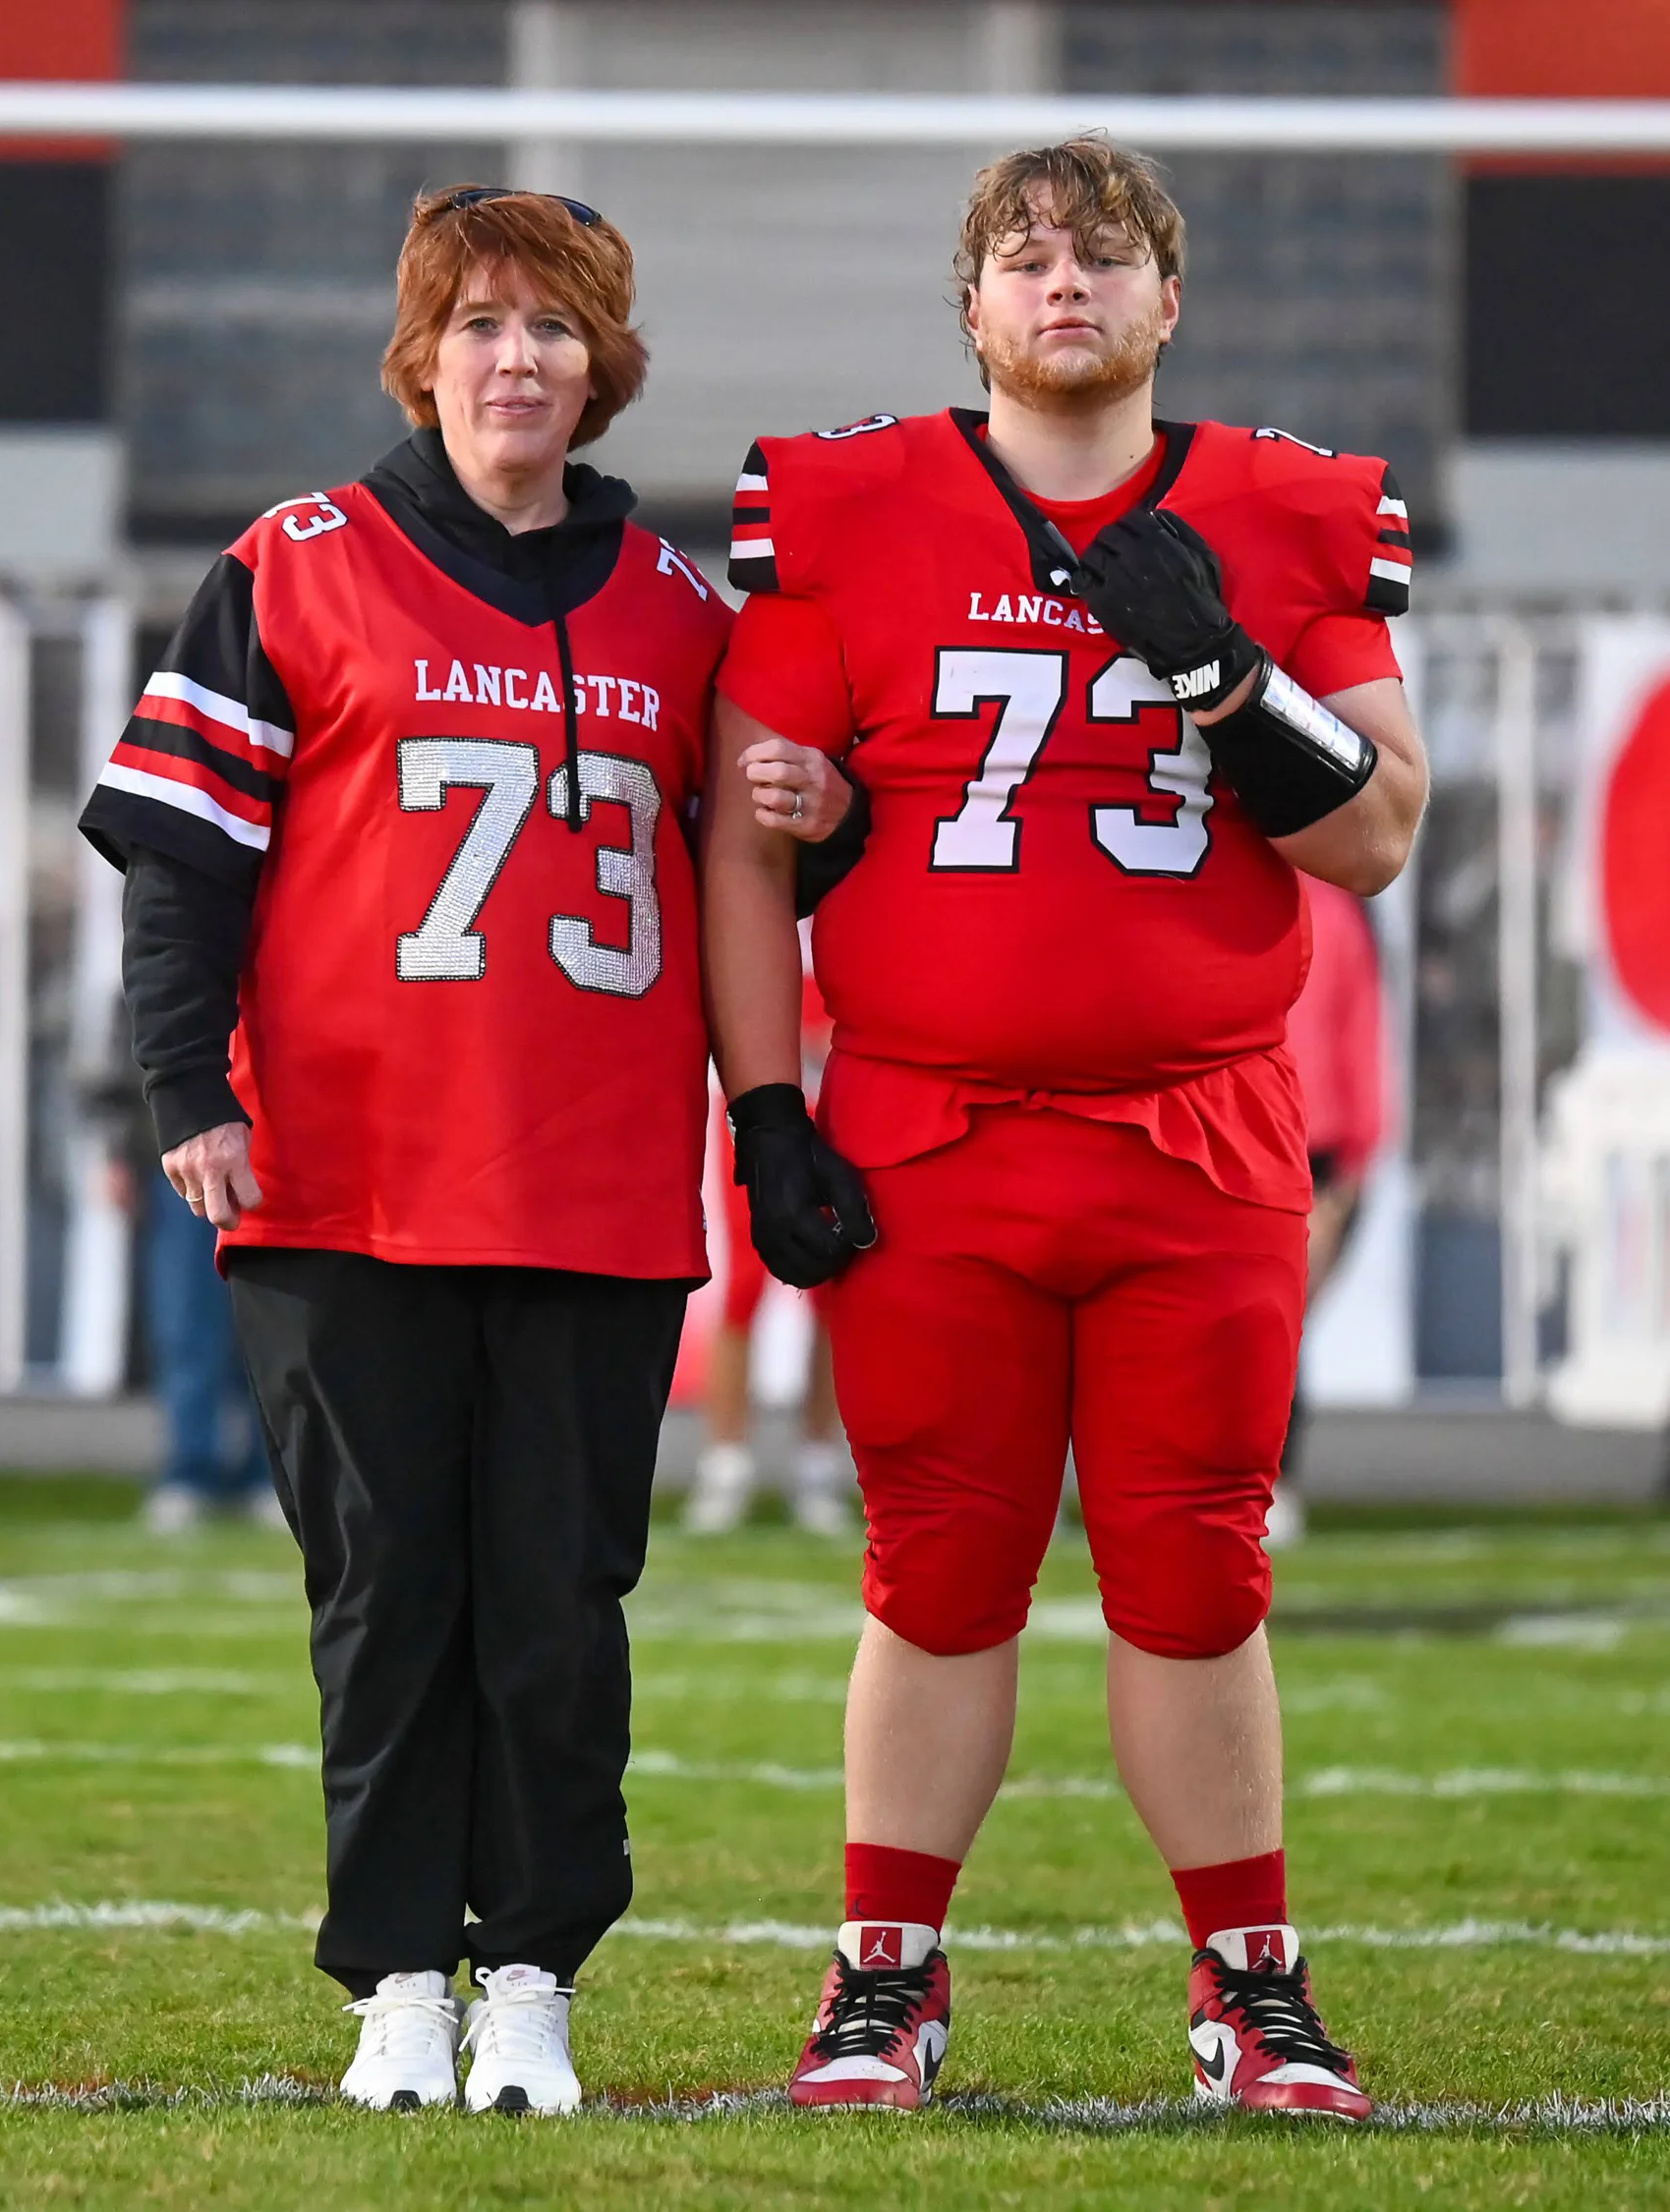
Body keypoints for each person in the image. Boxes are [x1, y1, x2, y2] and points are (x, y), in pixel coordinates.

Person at [701, 137, 1427, 2117]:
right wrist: (767, 1110)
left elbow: (1373, 832)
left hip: (1197, 1133)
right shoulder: (847, 504)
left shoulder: (1286, 509)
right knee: (937, 1567)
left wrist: (1218, 669)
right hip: (932, 1132)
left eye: (1107, 256)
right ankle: (885, 1974)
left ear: (1168, 304)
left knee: (1198, 1569)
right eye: (1026, 256)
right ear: (973, 309)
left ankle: (1251, 1983)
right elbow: (746, 837)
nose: (1066, 282)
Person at [78, 186, 782, 2118]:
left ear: (603, 368)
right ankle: (398, 1973)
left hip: (596, 1180)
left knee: (557, 1608)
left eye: (554, 329)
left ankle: (536, 1973)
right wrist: (182, 1083)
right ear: (422, 351)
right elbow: (181, 854)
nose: (516, 358)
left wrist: (825, 827)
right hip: (348, 1176)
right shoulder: (294, 565)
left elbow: (762, 876)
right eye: (479, 323)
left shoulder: (685, 610)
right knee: (389, 1600)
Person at [86, 996, 279, 1533]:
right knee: (187, 1326)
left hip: (273, 1160)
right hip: (178, 1160)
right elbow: (136, 1057)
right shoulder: (166, 947)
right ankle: (190, 1469)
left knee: (271, 1324)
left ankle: (271, 1474)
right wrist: (120, 1155)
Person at [686, 940, 853, 1536]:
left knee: (834, 1291)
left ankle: (818, 1465)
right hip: (754, 1103)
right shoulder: (754, 863)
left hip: (836, 1097)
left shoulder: (848, 866)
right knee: (744, 1287)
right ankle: (725, 1464)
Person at [1265, 879, 1391, 1550]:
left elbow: (1359, 1037)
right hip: (1251, 1134)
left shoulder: (1337, 911)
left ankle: (1273, 1480)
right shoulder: (1331, 905)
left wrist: (1351, 1172)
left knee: (1274, 1323)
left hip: (1309, 1150)